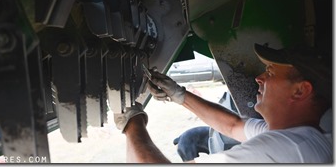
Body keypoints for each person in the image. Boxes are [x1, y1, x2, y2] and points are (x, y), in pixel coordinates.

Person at [114, 43, 333, 163]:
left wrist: (133, 122)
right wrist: (180, 95)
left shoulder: (283, 149)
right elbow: (233, 125)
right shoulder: (306, 138)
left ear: (300, 90)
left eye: (270, 72)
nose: (259, 78)